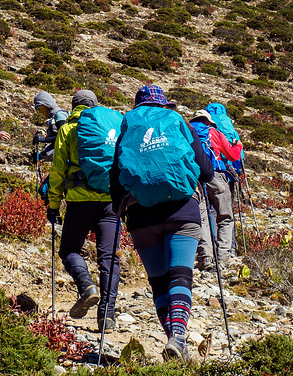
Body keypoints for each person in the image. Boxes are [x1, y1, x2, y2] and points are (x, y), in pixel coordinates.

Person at [110, 85, 214, 361]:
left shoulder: (128, 125)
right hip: (182, 209)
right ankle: (178, 337)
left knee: (158, 282)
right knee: (180, 275)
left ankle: (173, 339)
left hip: (141, 215)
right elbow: (205, 169)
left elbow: (116, 171)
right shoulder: (179, 122)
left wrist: (119, 211)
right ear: (164, 105)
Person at [46, 89, 121, 330]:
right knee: (108, 258)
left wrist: (53, 205)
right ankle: (107, 315)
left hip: (79, 201)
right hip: (111, 200)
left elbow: (58, 170)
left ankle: (86, 286)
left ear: (74, 106)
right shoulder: (112, 126)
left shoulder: (68, 129)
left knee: (69, 250)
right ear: (95, 105)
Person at [189, 109, 244, 270]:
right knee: (225, 216)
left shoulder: (186, 131)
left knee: (203, 219)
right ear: (208, 122)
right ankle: (224, 255)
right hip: (216, 175)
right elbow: (233, 155)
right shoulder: (215, 132)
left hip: (195, 179)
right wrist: (238, 146)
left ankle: (205, 256)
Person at [31, 91, 69, 164]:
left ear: (46, 104)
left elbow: (64, 136)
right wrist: (40, 156)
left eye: (39, 107)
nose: (39, 110)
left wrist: (44, 139)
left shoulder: (59, 115)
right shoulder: (53, 116)